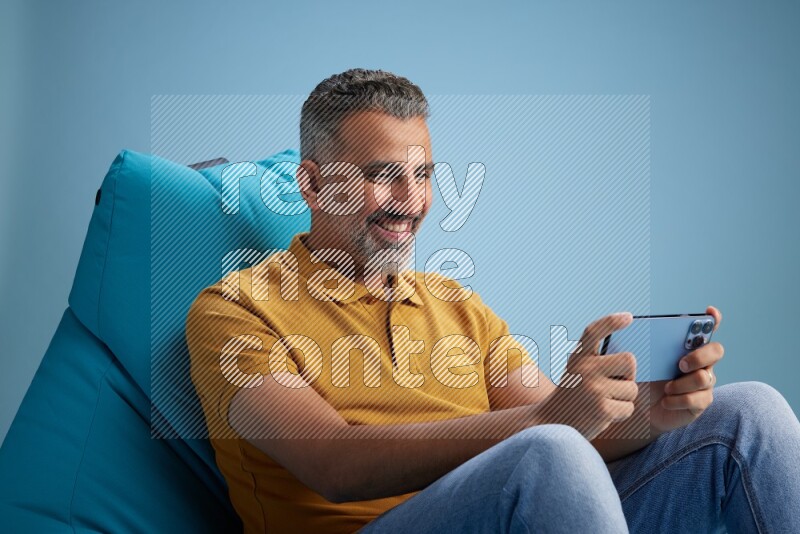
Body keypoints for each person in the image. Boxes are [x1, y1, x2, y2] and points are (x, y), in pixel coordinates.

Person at [185, 68, 800, 533]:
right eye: (380, 175)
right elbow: (334, 465)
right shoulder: (234, 310)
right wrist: (548, 423)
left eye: (423, 174)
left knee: (750, 412)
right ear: (314, 183)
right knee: (547, 451)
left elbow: (561, 421)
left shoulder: (458, 307)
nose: (411, 200)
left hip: (512, 511)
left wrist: (645, 413)